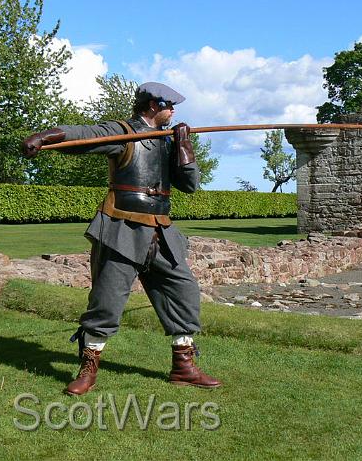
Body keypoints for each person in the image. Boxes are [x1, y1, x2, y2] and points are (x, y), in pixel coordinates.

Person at [22, 82, 222, 395]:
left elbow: (190, 185)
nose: (174, 111)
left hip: (161, 233)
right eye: (171, 105)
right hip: (122, 231)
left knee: (184, 293)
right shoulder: (123, 132)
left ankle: (183, 366)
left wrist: (184, 147)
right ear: (154, 105)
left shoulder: (169, 140)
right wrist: (44, 137)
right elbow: (85, 136)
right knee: (106, 303)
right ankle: (88, 370)